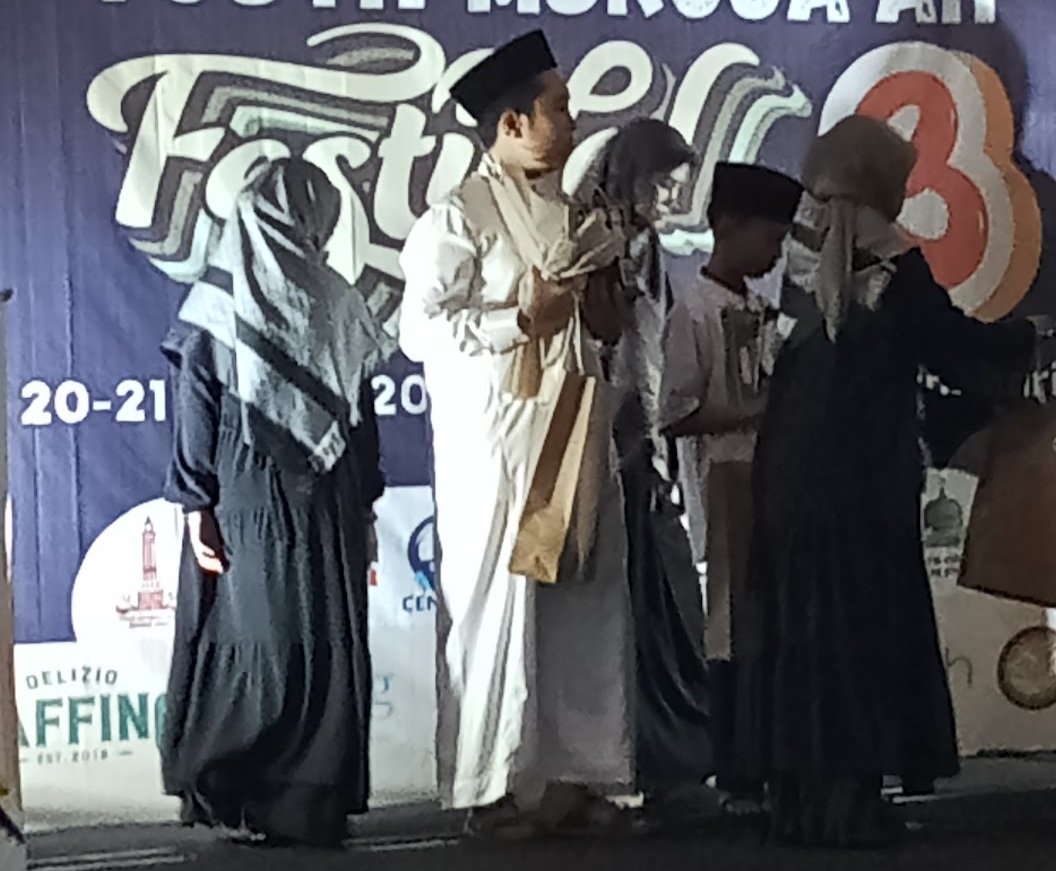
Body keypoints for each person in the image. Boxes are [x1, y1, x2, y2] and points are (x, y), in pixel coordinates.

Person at [734, 115, 1044, 847]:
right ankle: (851, 804)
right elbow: (955, 348)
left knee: (806, 633)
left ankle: (802, 804)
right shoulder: (894, 263)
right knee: (859, 631)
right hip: (861, 478)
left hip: (790, 471)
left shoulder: (799, 254)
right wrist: (1031, 339)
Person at [398, 30, 634, 839]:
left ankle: (575, 776)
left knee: (583, 602)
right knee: (495, 611)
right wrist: (518, 321)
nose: (572, 121)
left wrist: (601, 316)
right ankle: (488, 787)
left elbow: (599, 332)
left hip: (573, 432)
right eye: (558, 108)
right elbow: (420, 331)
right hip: (496, 449)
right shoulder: (455, 217)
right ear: (511, 124)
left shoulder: (577, 217)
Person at [159, 157, 395, 848]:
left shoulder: (216, 299)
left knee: (254, 634)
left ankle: (244, 788)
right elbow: (361, 421)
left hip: (245, 490)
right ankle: (310, 797)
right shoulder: (339, 300)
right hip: (324, 497)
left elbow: (196, 405)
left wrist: (196, 502)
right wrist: (365, 505)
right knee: (318, 635)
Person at [658, 161, 803, 816]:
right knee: (732, 626)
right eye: (767, 238)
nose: (773, 254)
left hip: (769, 473)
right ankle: (737, 768)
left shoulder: (760, 308)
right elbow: (674, 412)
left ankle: (773, 758)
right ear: (726, 226)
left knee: (769, 624)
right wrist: (756, 411)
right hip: (723, 477)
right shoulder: (692, 310)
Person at [579, 119, 714, 801]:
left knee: (668, 601)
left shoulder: (645, 247)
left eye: (677, 188)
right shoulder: (589, 242)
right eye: (663, 184)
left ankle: (673, 758)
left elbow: (654, 352)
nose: (671, 200)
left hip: (644, 444)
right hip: (602, 443)